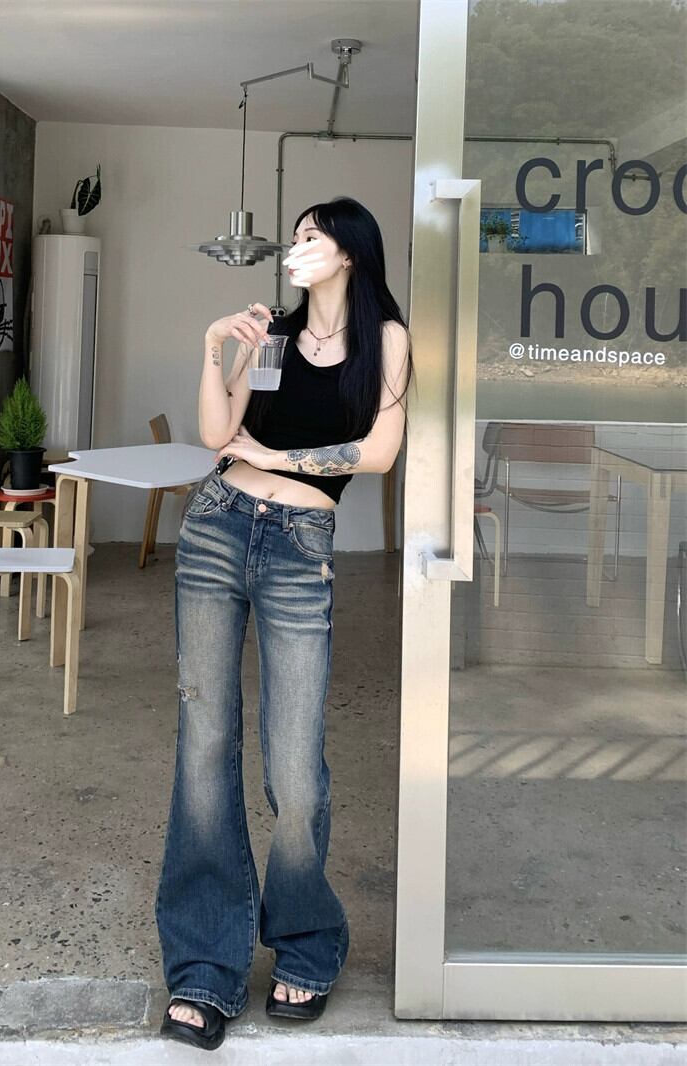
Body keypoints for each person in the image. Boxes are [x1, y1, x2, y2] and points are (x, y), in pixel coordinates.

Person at [156, 196, 412, 1051]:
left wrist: (279, 459)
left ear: (350, 252)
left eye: (312, 235)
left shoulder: (386, 341)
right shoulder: (272, 334)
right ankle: (205, 967)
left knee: (296, 764)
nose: (298, 245)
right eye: (295, 236)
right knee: (204, 746)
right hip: (217, 527)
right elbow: (216, 432)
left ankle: (306, 941)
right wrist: (215, 346)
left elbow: (378, 452)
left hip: (301, 543)